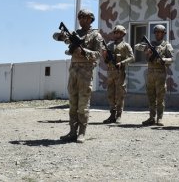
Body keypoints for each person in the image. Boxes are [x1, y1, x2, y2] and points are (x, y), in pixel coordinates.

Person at [53, 9, 104, 143]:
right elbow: (55, 37)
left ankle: (82, 132)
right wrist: (62, 35)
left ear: (91, 19)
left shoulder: (96, 36)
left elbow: (98, 54)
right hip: (74, 71)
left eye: (85, 17)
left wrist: (84, 52)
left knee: (83, 104)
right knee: (73, 103)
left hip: (85, 73)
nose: (82, 20)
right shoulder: (74, 34)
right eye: (80, 17)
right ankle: (72, 131)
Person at [137, 24, 173, 126]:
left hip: (160, 73)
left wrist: (164, 60)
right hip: (150, 73)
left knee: (160, 97)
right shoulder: (150, 44)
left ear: (163, 34)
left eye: (160, 32)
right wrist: (146, 49)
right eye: (156, 32)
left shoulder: (167, 45)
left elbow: (172, 59)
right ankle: (151, 117)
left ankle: (159, 118)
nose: (158, 34)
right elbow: (137, 46)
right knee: (151, 96)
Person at [102, 25, 135, 124]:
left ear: (123, 34)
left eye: (119, 33)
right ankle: (112, 114)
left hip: (120, 72)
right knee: (110, 94)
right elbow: (106, 61)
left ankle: (119, 115)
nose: (117, 34)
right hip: (110, 73)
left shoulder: (126, 45)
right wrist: (104, 55)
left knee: (120, 95)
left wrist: (122, 63)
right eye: (116, 33)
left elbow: (132, 58)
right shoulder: (109, 45)